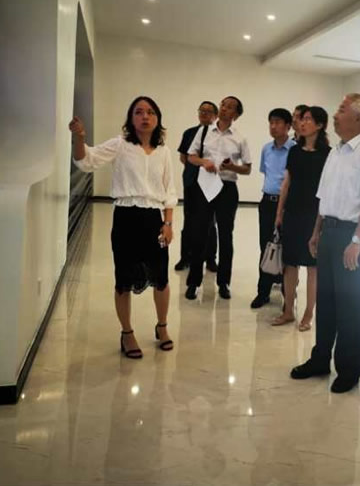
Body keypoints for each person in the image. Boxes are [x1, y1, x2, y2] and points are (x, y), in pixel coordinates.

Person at [290, 93, 360, 393]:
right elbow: (325, 197)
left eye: (341, 109)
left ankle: (349, 369)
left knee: (350, 307)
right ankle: (320, 359)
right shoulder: (336, 151)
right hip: (330, 232)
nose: (335, 114)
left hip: (354, 235)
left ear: (357, 118)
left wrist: (357, 240)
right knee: (327, 302)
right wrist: (316, 232)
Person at [69, 96, 177, 358]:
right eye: (138, 112)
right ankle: (127, 333)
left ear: (158, 118)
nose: (145, 117)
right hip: (126, 218)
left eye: (150, 112)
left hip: (154, 219)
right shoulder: (120, 145)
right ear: (131, 118)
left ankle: (162, 326)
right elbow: (86, 161)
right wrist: (79, 138)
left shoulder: (163, 152)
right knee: (124, 279)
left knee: (161, 278)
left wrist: (168, 223)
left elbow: (170, 190)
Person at [185, 96, 251, 300]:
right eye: (223, 104)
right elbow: (190, 156)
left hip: (227, 188)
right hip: (205, 185)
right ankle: (193, 282)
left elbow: (247, 168)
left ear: (236, 115)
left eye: (230, 107)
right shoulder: (204, 131)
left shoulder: (240, 138)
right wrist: (204, 162)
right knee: (199, 233)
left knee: (225, 235)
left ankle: (224, 283)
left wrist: (233, 167)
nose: (224, 109)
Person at [272, 106, 331, 330]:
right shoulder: (294, 151)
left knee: (312, 266)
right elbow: (286, 183)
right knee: (290, 264)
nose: (303, 123)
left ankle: (308, 313)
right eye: (302, 119)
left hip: (314, 215)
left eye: (308, 119)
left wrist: (322, 219)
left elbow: (327, 189)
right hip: (293, 212)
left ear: (320, 125)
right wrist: (279, 212)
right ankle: (288, 310)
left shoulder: (328, 154)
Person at [251, 108, 296, 309]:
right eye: (271, 122)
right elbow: (265, 172)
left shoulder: (295, 150)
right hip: (267, 203)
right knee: (266, 246)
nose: (273, 126)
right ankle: (263, 292)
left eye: (278, 122)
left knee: (287, 249)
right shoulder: (266, 149)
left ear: (288, 126)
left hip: (287, 204)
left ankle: (288, 295)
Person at [175, 101, 219, 272]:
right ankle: (185, 257)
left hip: (210, 184)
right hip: (191, 182)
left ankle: (210, 259)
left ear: (215, 115)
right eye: (202, 111)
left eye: (208, 111)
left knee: (210, 222)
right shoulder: (189, 133)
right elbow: (184, 157)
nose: (204, 114)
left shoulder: (218, 135)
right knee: (189, 221)